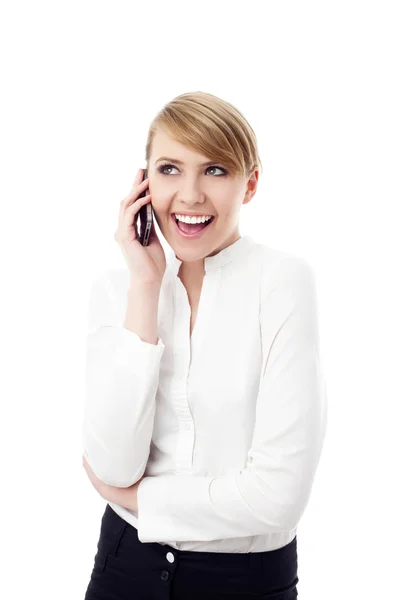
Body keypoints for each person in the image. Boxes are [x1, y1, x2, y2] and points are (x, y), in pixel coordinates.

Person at [82, 90, 328, 599]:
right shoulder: (120, 286)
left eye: (214, 170)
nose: (190, 195)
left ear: (250, 183)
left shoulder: (282, 282)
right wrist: (146, 288)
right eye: (170, 169)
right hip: (124, 566)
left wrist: (138, 500)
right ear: (144, 182)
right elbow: (111, 465)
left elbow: (279, 497)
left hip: (245, 580)